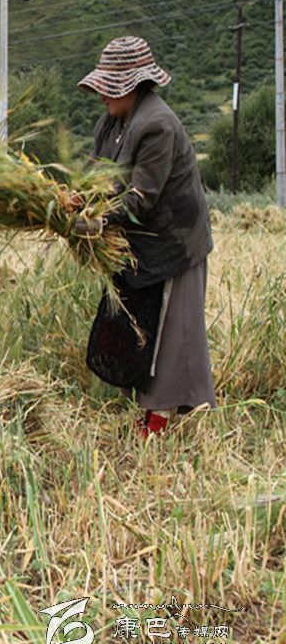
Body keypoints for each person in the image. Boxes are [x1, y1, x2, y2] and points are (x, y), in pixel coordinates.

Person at [77, 35, 216, 437]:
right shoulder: (111, 122)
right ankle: (146, 405)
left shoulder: (156, 125)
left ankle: (159, 416)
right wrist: (75, 199)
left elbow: (142, 196)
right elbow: (98, 174)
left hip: (174, 242)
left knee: (172, 332)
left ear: (133, 85)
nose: (102, 94)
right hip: (139, 243)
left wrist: (99, 221)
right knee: (137, 325)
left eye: (109, 86)